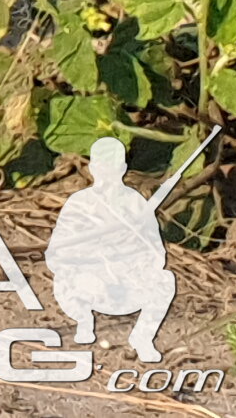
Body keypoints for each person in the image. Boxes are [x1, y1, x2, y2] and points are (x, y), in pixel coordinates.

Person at [46, 135, 177, 362]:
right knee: (66, 278)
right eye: (103, 168)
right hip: (89, 279)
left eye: (114, 168)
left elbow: (157, 252)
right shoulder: (80, 203)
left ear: (123, 168)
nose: (108, 175)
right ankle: (84, 322)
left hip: (126, 280)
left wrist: (135, 251)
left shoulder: (135, 203)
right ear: (93, 169)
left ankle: (142, 338)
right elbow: (56, 254)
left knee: (165, 280)